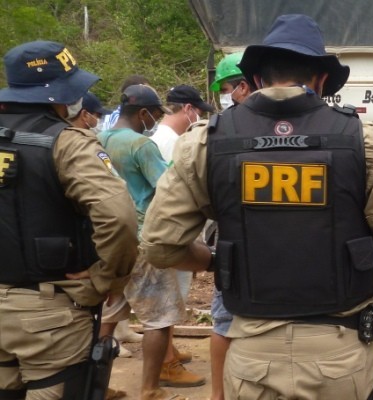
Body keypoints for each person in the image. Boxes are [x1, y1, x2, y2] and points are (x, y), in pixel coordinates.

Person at [139, 14, 373, 399]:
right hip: (340, 360)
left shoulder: (207, 141)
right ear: (321, 80)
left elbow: (159, 245)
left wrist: (215, 260)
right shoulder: (361, 139)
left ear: (257, 79)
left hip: (251, 359)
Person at [0, 40, 138, 399]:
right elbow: (119, 217)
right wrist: (107, 278)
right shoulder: (67, 142)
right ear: (61, 95)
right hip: (49, 315)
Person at [99, 84, 206, 399]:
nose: (156, 121)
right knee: (158, 318)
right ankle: (150, 388)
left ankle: (97, 385)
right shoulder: (140, 145)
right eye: (155, 115)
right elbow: (166, 186)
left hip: (110, 239)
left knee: (109, 316)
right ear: (143, 113)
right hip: (142, 238)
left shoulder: (97, 139)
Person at [206, 50, 250, 400]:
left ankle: (219, 395)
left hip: (232, 249)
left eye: (226, 89)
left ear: (244, 87)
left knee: (224, 321)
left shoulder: (216, 134)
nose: (225, 96)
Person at [151, 84, 214, 161]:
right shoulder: (172, 144)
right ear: (188, 108)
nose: (199, 119)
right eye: (200, 115)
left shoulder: (156, 134)